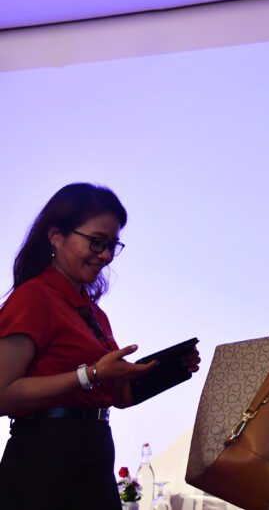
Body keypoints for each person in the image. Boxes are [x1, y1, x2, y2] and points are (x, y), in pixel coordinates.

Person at [0, 183, 201, 510]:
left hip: (93, 457)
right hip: (44, 463)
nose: (106, 255)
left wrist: (168, 370)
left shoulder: (94, 314)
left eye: (111, 245)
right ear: (56, 236)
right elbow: (2, 393)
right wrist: (90, 374)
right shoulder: (33, 298)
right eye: (96, 242)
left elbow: (117, 396)